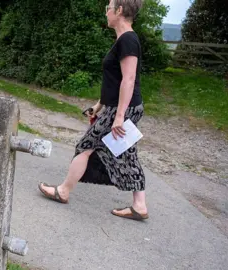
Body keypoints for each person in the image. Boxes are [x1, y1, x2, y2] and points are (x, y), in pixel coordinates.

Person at [38, 0, 148, 221]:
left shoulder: (127, 39)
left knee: (86, 146)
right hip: (123, 107)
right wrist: (99, 105)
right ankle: (140, 205)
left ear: (119, 11)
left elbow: (129, 79)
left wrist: (118, 117)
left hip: (123, 110)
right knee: (127, 155)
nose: (106, 11)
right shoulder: (124, 39)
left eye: (109, 7)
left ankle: (64, 191)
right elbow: (115, 80)